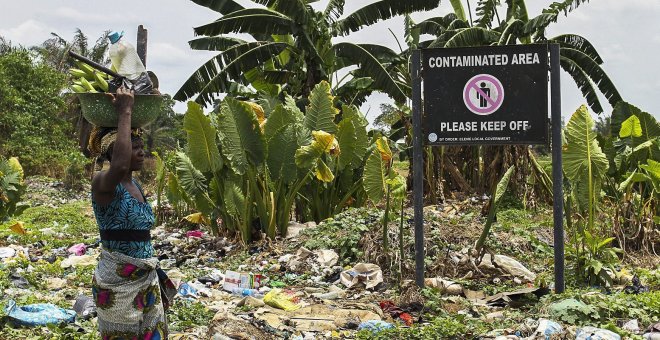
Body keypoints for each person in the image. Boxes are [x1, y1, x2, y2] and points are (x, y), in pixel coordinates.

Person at [88, 87, 175, 339]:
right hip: (118, 284)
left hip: (145, 277)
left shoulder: (135, 185)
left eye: (140, 146)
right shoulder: (103, 184)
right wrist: (125, 110)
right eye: (132, 146)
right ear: (114, 153)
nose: (141, 152)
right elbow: (121, 165)